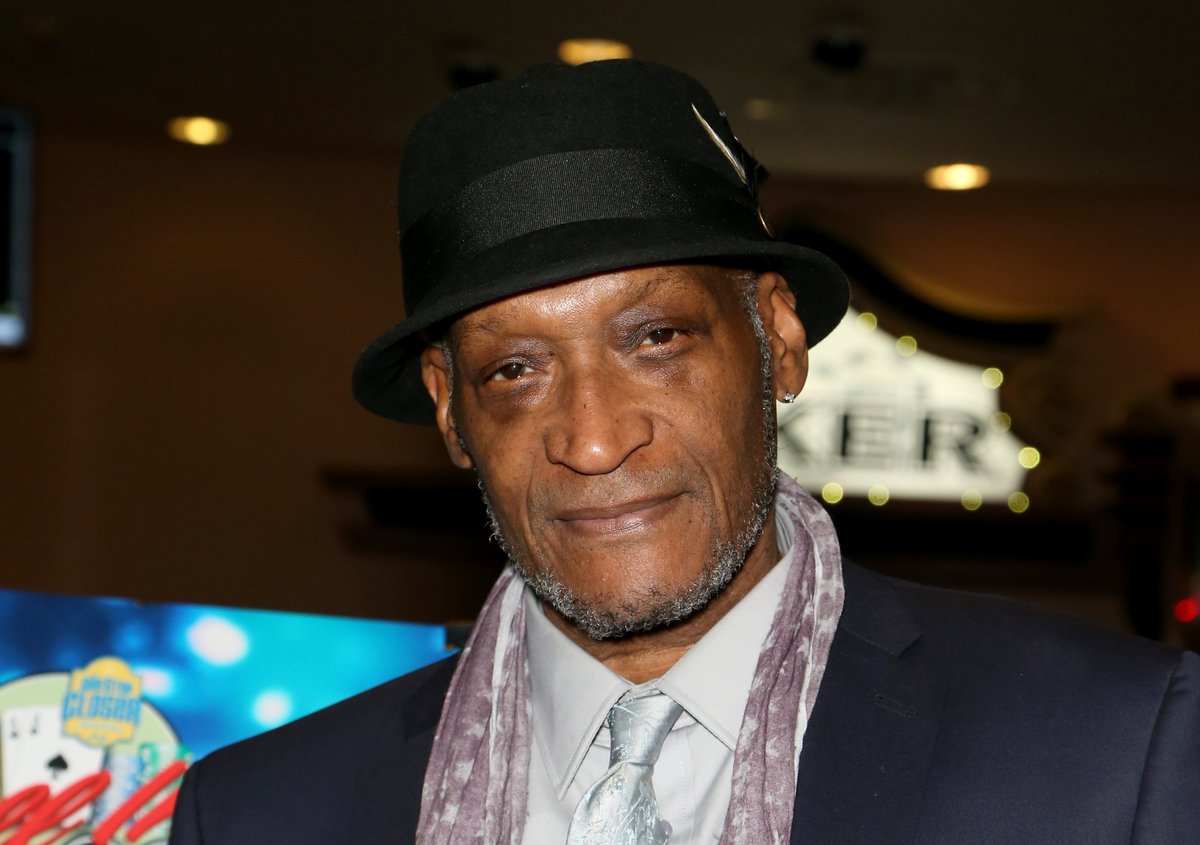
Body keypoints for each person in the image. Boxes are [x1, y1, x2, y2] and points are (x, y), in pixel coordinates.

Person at [168, 60, 1198, 844]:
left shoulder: (1113, 752)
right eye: (514, 369)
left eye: (656, 337)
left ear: (777, 339)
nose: (593, 437)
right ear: (449, 411)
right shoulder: (259, 812)